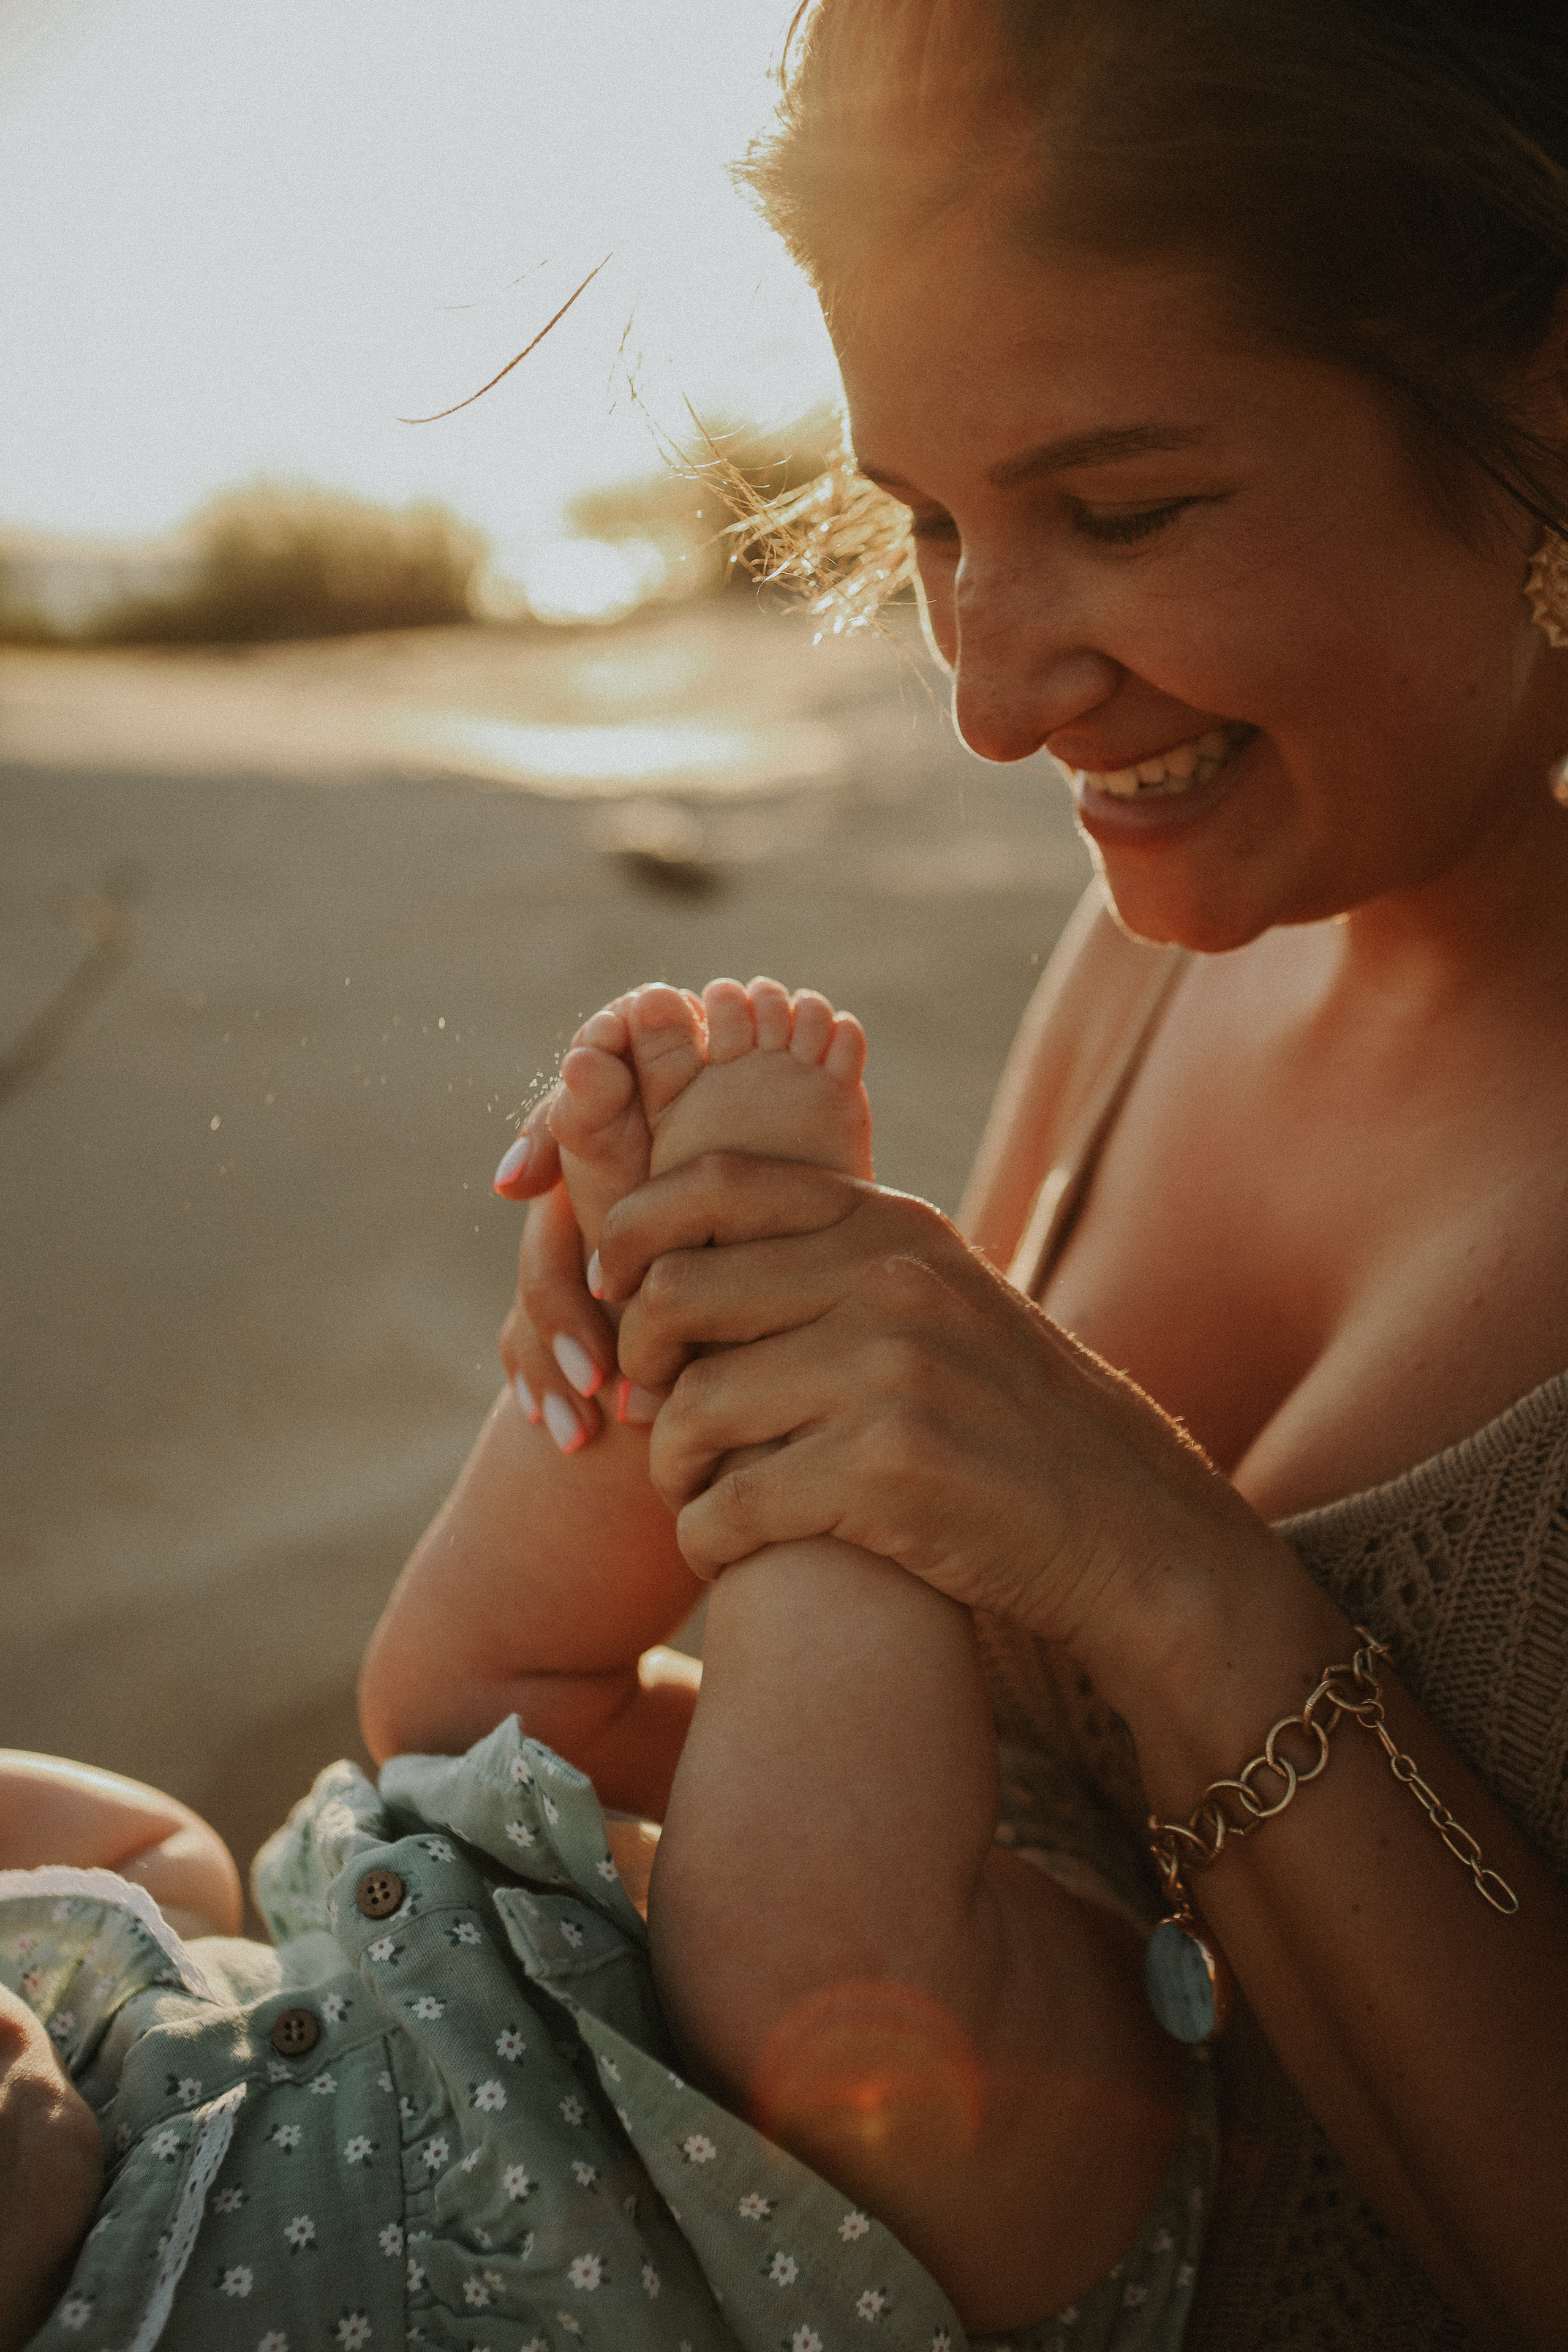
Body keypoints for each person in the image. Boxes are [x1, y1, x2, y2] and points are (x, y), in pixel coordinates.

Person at [475, 4, 1568, 2347]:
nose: (983, 695)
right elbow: (1027, 1884)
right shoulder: (1159, 943)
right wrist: (669, 1420)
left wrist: (1166, 1567)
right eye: (932, 523)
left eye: (1125, 508)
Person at [1, 983, 1196, 2352]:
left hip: (514, 1955)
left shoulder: (69, 2038)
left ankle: (659, 1321)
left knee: (444, 1710)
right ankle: (779, 1321)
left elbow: (159, 1862)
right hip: (866, 2197)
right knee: (786, 1950)